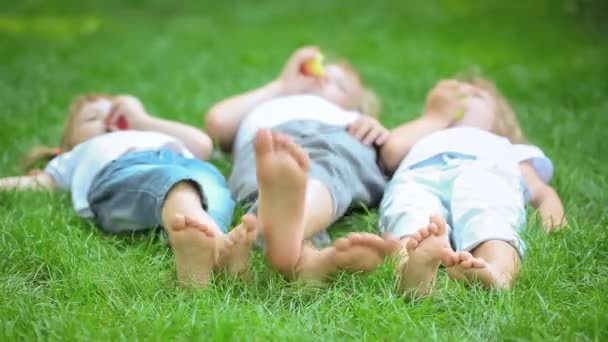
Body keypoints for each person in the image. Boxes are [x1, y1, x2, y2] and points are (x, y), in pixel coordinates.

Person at [1, 94, 257, 288]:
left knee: (213, 190)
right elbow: (38, 183)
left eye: (115, 115)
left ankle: (210, 252)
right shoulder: (75, 156)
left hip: (189, 167)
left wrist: (141, 119)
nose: (108, 121)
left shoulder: (149, 132)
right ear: (67, 145)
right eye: (93, 118)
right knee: (177, 187)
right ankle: (208, 241)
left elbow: (201, 143)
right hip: (119, 173)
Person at [205, 46, 398, 283]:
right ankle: (308, 260)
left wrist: (374, 129)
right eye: (320, 72)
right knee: (265, 179)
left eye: (340, 85)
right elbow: (218, 122)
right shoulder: (273, 100)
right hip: (267, 142)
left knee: (328, 171)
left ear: (356, 107)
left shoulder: (350, 119)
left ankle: (285, 235)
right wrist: (281, 86)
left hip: (333, 137)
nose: (323, 78)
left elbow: (390, 150)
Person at [379, 78, 567, 296]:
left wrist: (554, 225)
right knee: (410, 212)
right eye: (454, 93)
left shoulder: (505, 146)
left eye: (475, 95)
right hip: (420, 175)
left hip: (483, 170)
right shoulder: (427, 133)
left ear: (498, 120)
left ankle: (497, 272)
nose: (462, 97)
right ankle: (410, 270)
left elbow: (543, 194)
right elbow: (391, 152)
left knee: (489, 210)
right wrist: (433, 118)